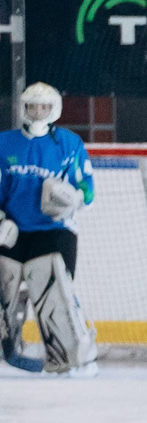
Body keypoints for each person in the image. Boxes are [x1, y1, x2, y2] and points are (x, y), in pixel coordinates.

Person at [0, 83, 98, 377]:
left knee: (54, 292)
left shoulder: (69, 144)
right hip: (11, 230)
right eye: (33, 106)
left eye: (44, 107)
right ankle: (8, 348)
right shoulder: (4, 143)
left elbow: (88, 191)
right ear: (24, 108)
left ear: (54, 109)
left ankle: (72, 359)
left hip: (55, 231)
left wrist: (74, 199)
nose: (38, 112)